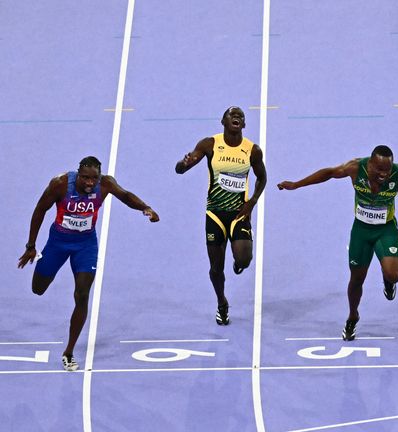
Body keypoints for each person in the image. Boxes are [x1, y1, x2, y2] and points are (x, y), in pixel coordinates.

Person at [17, 156, 159, 371]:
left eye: (94, 178)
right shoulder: (60, 184)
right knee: (38, 289)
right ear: (78, 174)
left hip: (85, 246)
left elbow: (126, 196)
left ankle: (68, 352)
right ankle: (43, 271)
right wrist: (31, 246)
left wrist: (145, 207)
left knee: (82, 294)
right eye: (85, 178)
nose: (90, 183)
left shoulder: (106, 184)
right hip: (58, 243)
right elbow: (39, 210)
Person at [277, 145, 398, 341]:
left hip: (385, 229)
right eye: (379, 169)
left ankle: (388, 281)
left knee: (393, 275)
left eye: (387, 170)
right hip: (361, 231)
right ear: (370, 164)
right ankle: (352, 317)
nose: (383, 174)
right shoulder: (356, 168)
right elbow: (329, 173)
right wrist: (297, 184)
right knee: (357, 279)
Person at [175, 106, 267, 326]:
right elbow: (181, 169)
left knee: (244, 259)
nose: (237, 117)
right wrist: (183, 163)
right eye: (232, 115)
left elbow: (262, 178)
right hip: (215, 214)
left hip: (239, 214)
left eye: (240, 116)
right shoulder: (209, 144)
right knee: (216, 268)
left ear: (244, 124)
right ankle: (221, 302)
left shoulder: (252, 150)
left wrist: (252, 202)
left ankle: (238, 262)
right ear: (223, 121)